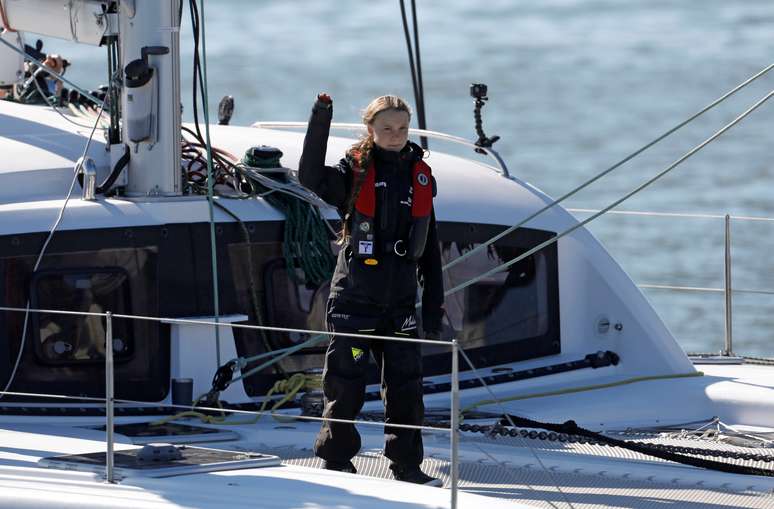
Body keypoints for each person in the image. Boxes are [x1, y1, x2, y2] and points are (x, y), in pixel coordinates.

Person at [298, 94, 444, 486]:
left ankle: (408, 467)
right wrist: (320, 117)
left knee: (406, 388)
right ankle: (336, 461)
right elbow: (310, 178)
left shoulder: (421, 175)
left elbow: (429, 247)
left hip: (400, 305)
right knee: (346, 384)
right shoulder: (354, 172)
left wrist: (433, 304)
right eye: (386, 129)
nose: (395, 136)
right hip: (355, 302)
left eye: (401, 128)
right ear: (370, 131)